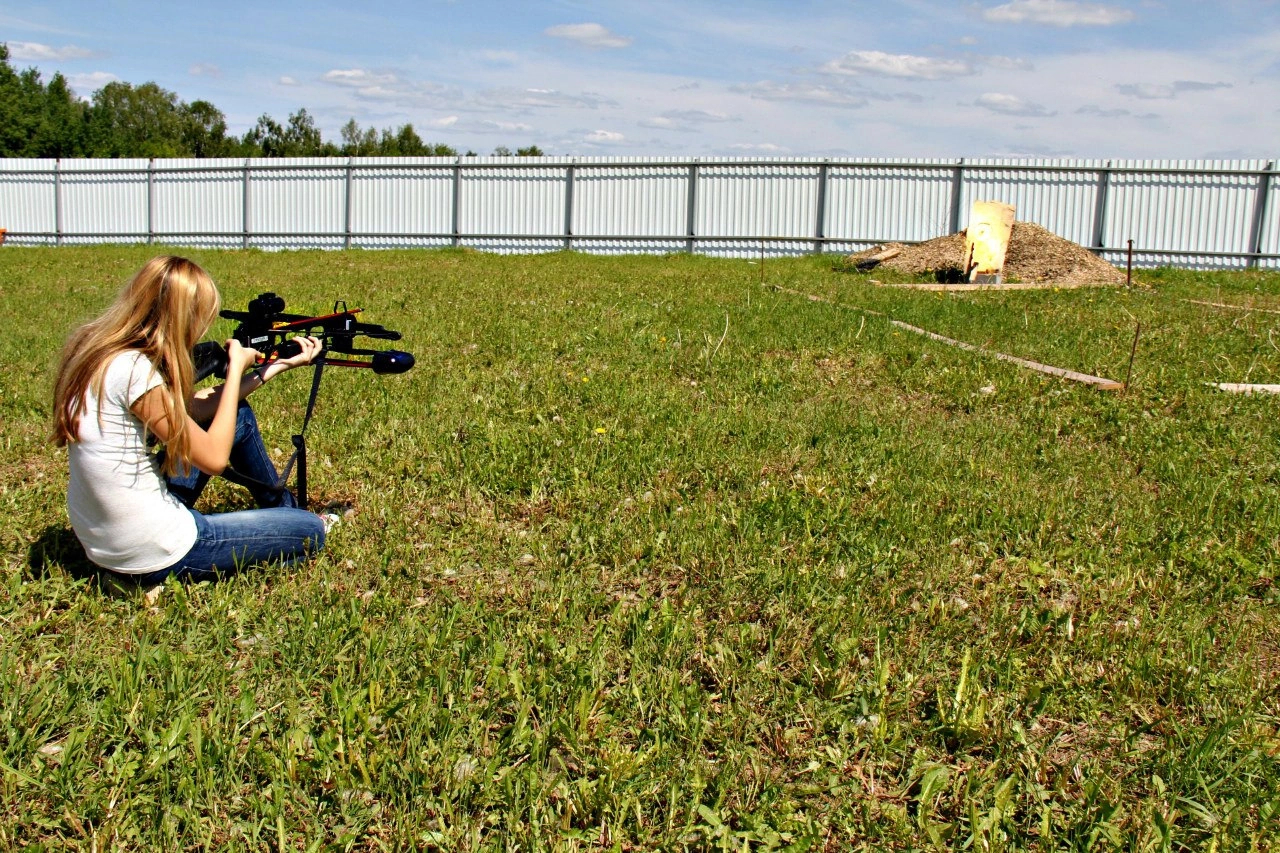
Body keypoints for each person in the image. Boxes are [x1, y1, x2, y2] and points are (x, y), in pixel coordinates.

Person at [52, 255, 329, 585]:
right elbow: (214, 459)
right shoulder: (134, 372)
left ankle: (282, 510)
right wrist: (236, 369)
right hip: (152, 549)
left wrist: (275, 367)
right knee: (311, 532)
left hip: (106, 541)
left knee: (237, 416)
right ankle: (152, 580)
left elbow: (192, 409)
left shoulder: (101, 354)